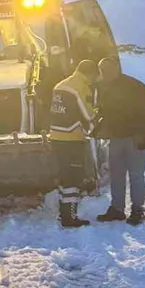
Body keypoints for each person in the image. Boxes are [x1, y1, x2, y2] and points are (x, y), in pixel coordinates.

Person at [95, 57, 145, 225]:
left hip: (135, 137)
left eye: (107, 70)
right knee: (116, 174)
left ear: (116, 68)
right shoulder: (106, 87)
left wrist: (141, 133)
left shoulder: (135, 86)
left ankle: (137, 210)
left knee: (135, 175)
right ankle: (117, 209)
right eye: (102, 70)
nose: (104, 73)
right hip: (116, 137)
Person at [50, 59, 100, 228]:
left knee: (64, 176)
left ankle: (63, 213)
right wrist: (97, 118)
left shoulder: (61, 85)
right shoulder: (81, 87)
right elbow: (88, 115)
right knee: (73, 178)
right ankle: (69, 218)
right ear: (90, 73)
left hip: (56, 136)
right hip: (71, 137)